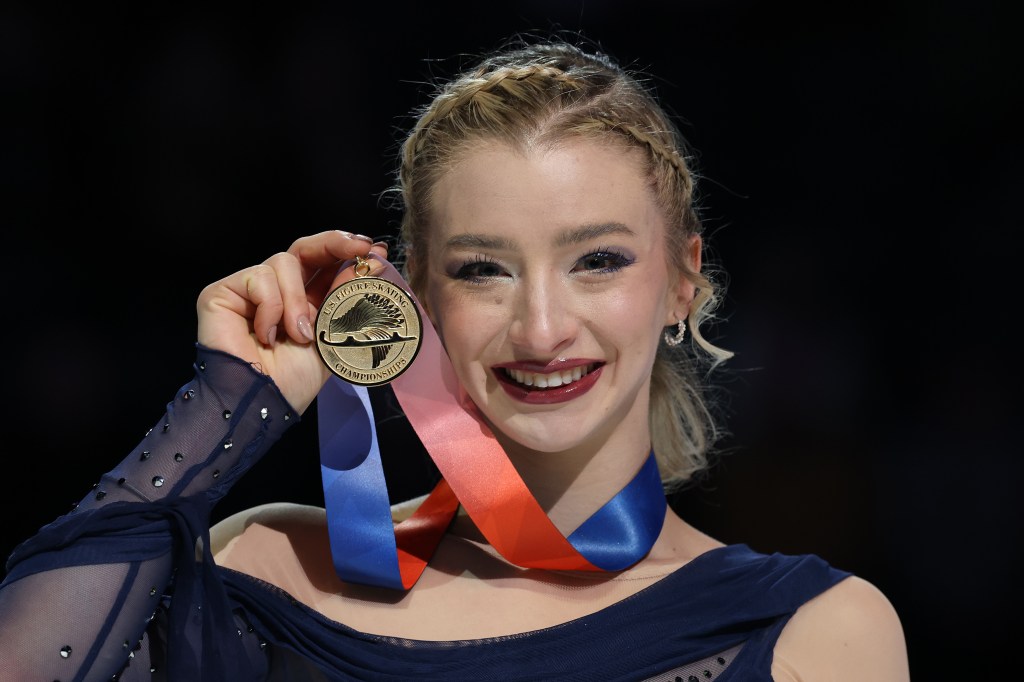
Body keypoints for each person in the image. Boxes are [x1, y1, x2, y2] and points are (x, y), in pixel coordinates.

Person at [0, 35, 910, 681]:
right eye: (483, 270)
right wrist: (230, 402)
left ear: (682, 279)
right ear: (421, 299)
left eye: (597, 260)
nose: (542, 330)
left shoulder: (815, 631)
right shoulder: (275, 565)